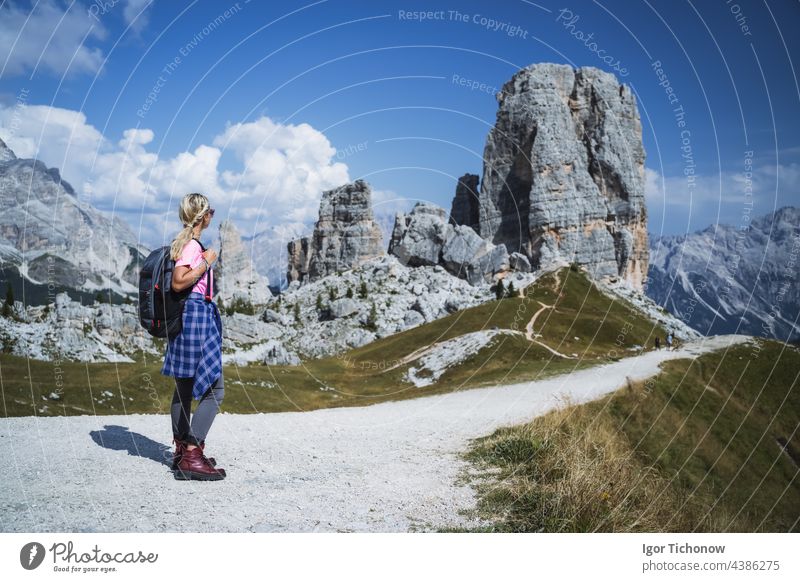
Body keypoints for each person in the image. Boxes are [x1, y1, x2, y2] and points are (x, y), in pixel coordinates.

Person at [161, 193, 226, 481]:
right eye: (211, 210)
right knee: (215, 388)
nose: (213, 213)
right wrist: (206, 262)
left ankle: (180, 452)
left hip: (189, 317)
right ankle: (192, 451)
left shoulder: (185, 243)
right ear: (203, 216)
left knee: (184, 387)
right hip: (196, 318)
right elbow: (178, 282)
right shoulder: (193, 248)